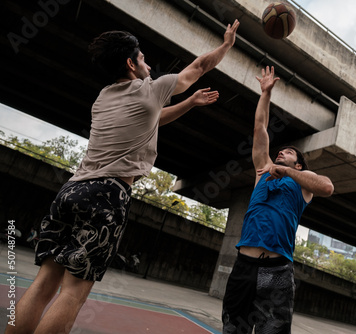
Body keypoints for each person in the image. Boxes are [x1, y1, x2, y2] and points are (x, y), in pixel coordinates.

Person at [5, 20, 239, 334]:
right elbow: (199, 66)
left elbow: (153, 117)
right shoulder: (150, 88)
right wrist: (226, 45)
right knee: (73, 292)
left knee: (43, 284)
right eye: (142, 58)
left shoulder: (103, 98)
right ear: (130, 63)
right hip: (107, 194)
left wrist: (189, 103)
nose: (148, 64)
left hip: (70, 191)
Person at [222, 66, 334, 334]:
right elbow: (260, 127)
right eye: (281, 151)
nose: (282, 151)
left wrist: (284, 171)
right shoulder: (263, 172)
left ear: (299, 165)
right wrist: (265, 94)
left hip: (277, 268)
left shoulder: (301, 182)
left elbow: (327, 187)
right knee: (232, 330)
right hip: (244, 265)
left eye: (289, 153)